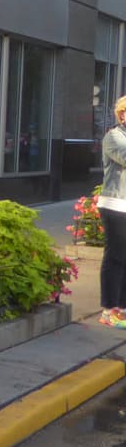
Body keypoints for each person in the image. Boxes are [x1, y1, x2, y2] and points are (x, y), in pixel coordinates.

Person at [97, 95, 126, 329]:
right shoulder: (113, 137)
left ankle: (122, 308)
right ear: (122, 114)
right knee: (115, 257)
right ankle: (108, 310)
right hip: (115, 206)